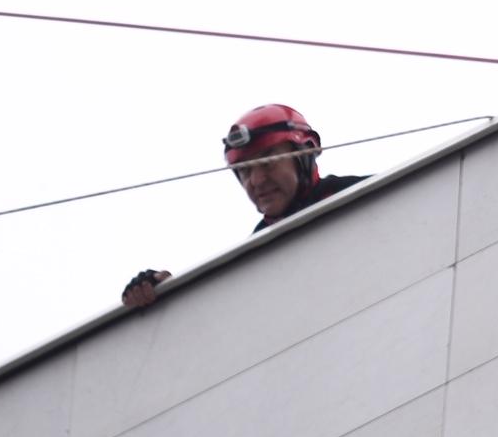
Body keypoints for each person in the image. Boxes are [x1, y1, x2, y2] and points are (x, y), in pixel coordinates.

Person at [117, 103, 368, 307]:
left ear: (306, 151)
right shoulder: (253, 253)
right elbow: (221, 312)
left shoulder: (367, 196)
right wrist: (169, 294)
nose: (257, 180)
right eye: (245, 171)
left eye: (268, 161)